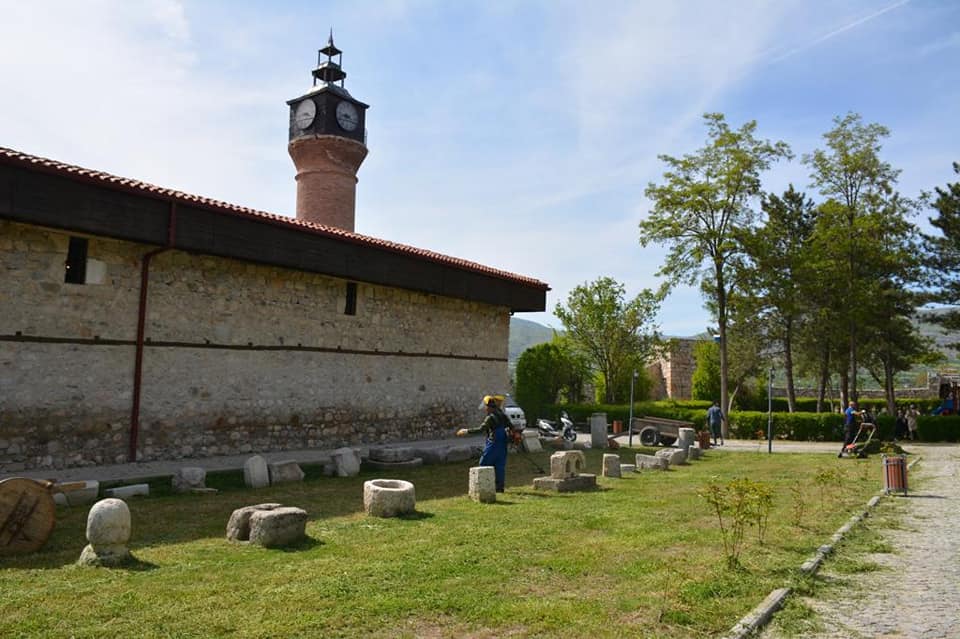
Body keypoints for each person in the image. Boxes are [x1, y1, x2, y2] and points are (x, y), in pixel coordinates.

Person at [456, 395, 510, 492]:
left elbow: (481, 429)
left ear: (488, 407)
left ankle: (483, 487)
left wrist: (466, 431)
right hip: (503, 444)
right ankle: (499, 488)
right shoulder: (502, 415)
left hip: (494, 443)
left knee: (484, 463)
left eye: (486, 407)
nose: (485, 409)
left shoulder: (490, 418)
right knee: (499, 466)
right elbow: (511, 426)